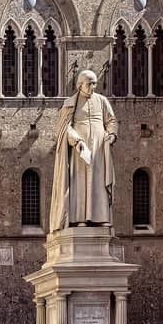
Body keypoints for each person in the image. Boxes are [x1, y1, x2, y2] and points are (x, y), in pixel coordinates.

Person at [48, 69, 119, 230]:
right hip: (80, 150)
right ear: (80, 85)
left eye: (95, 83)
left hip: (99, 148)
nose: (93, 86)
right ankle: (79, 218)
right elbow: (65, 128)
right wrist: (76, 140)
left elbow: (111, 120)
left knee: (98, 182)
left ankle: (100, 217)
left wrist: (112, 135)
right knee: (79, 184)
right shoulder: (70, 103)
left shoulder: (101, 101)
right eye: (90, 83)